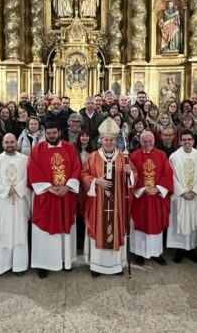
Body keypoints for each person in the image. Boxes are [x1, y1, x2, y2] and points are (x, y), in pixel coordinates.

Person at [81, 118, 138, 276]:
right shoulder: (93, 157)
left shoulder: (123, 157)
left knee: (116, 230)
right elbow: (84, 174)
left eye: (112, 140)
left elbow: (133, 176)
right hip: (98, 205)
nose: (108, 142)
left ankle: (116, 266)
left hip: (118, 205)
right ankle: (96, 266)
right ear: (101, 140)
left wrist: (129, 173)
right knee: (99, 229)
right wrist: (95, 181)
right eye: (106, 139)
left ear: (115, 141)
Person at [27, 123, 81, 278]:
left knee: (65, 229)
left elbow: (77, 167)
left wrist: (68, 186)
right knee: (44, 233)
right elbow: (33, 169)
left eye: (54, 132)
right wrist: (49, 188)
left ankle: (65, 260)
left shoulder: (69, 148)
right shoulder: (37, 149)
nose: (51, 135)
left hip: (65, 196)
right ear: (45, 133)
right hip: (46, 197)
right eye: (48, 133)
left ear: (59, 132)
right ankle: (43, 264)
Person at [0, 133, 32, 277]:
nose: (10, 145)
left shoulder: (25, 160)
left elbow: (29, 178)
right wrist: (7, 190)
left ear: (16, 143)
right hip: (1, 204)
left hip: (19, 202)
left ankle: (19, 266)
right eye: (7, 142)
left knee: (19, 232)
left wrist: (17, 189)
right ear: (2, 143)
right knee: (2, 233)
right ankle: (0, 266)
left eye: (12, 142)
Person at [129, 131, 174, 266]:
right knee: (140, 224)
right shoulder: (134, 156)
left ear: (154, 141)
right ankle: (139, 254)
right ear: (140, 142)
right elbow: (133, 176)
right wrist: (143, 188)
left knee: (156, 225)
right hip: (141, 198)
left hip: (156, 198)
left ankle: (156, 253)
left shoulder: (162, 155)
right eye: (145, 142)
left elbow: (167, 174)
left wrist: (158, 188)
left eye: (150, 142)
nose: (147, 144)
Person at [167, 130, 197, 263]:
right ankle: (179, 250)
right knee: (179, 221)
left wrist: (195, 191)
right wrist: (183, 192)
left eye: (189, 139)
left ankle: (190, 250)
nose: (186, 142)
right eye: (184, 139)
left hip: (194, 197)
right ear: (180, 141)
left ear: (193, 141)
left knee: (192, 223)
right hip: (180, 197)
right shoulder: (174, 157)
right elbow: (171, 177)